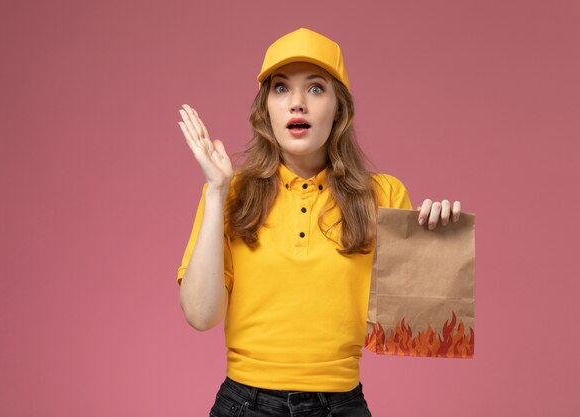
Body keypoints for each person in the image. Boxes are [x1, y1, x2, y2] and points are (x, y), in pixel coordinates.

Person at [176, 27, 461, 417]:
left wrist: (438, 247)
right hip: (244, 404)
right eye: (280, 89)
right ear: (265, 110)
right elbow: (199, 315)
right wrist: (215, 191)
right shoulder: (232, 190)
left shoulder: (385, 195)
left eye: (315, 88)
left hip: (341, 405)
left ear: (339, 107)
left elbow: (409, 329)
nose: (297, 103)